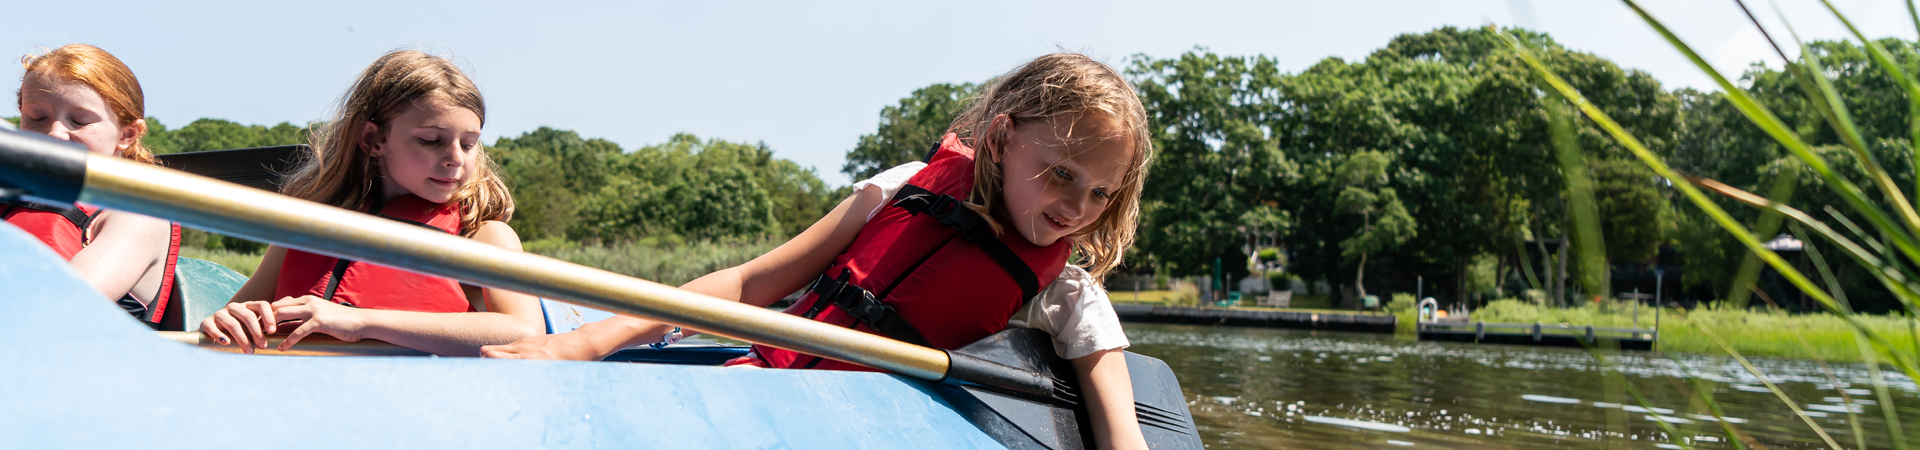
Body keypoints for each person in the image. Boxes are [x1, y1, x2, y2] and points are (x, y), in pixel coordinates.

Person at [483, 53, 1153, 450]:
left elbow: (1122, 430)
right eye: (1062, 173)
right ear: (1002, 139)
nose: (1076, 208)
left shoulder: (1069, 297)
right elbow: (747, 285)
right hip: (759, 388)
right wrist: (585, 345)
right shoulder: (897, 192)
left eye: (1100, 194)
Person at [199, 50, 543, 356]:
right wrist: (228, 319)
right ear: (373, 139)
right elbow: (233, 317)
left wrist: (361, 321)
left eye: (468, 144)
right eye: (431, 140)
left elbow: (524, 332)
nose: (455, 158)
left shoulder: (483, 236)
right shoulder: (306, 227)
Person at [11, 44, 181, 328]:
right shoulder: (10, 190)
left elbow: (61, 309)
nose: (55, 133)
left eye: (78, 121)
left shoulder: (140, 213)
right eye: (36, 117)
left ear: (127, 134)